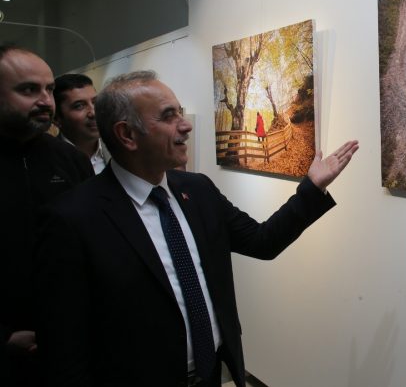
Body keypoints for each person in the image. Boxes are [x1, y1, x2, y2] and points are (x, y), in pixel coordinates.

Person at [34, 70, 359, 387]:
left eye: (180, 112)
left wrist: (312, 188)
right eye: (168, 116)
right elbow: (65, 347)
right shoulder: (73, 218)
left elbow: (262, 242)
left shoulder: (197, 190)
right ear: (127, 135)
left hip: (212, 372)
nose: (186, 125)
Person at [0, 46, 94, 387]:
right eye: (28, 90)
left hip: (68, 348)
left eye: (49, 90)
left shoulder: (71, 161)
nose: (45, 100)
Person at [53, 73, 110, 174]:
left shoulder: (118, 148)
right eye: (79, 106)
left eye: (95, 102)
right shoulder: (48, 159)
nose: (93, 112)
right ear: (57, 119)